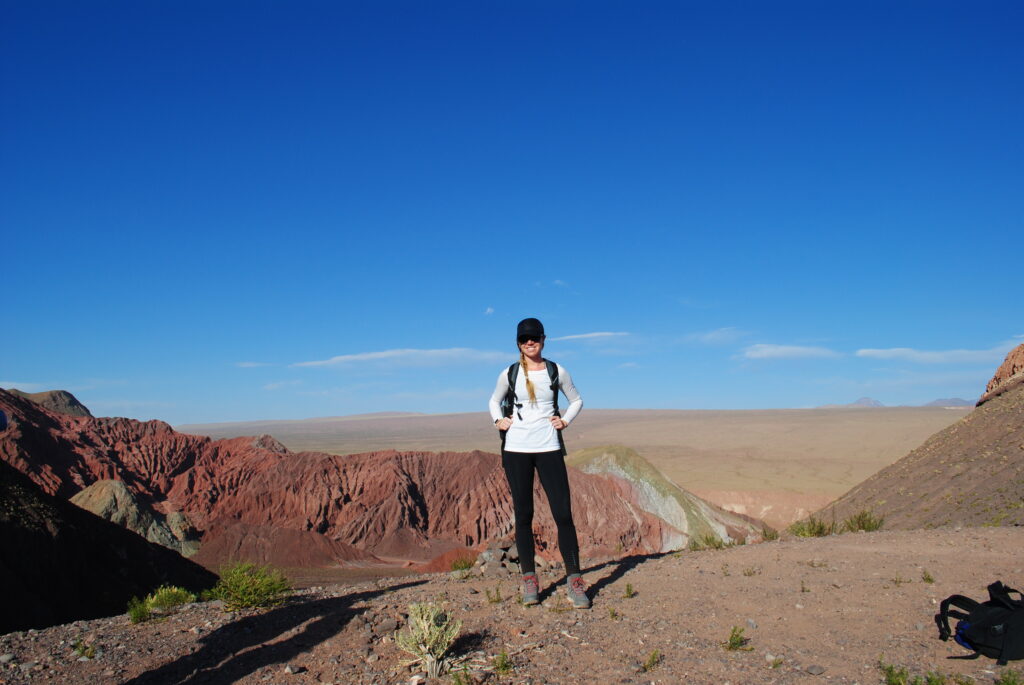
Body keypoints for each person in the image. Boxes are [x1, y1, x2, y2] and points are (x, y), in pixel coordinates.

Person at [488, 317, 589, 609]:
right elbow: (494, 401)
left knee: (563, 514)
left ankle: (574, 580)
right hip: (516, 449)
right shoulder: (509, 373)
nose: (529, 343)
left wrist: (565, 420)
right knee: (523, 515)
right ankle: (529, 580)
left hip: (549, 447)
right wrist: (499, 421)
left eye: (534, 338)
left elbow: (577, 399)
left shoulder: (557, 371)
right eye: (524, 339)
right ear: (518, 343)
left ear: (543, 339)